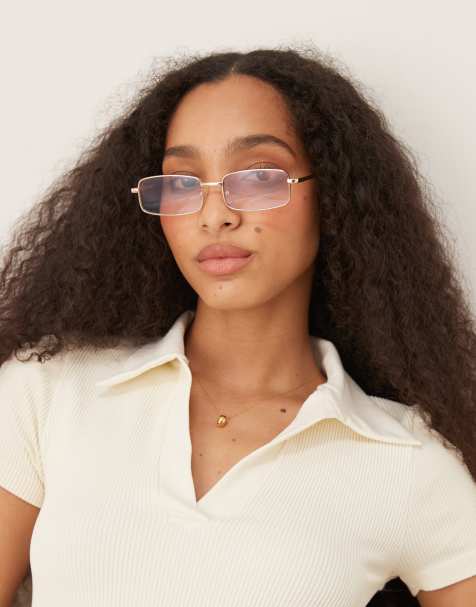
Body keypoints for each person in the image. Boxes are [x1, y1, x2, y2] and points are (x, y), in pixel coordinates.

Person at [0, 45, 475, 607]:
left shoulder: (406, 460)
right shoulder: (48, 392)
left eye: (257, 176)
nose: (216, 214)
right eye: (182, 182)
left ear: (334, 192)